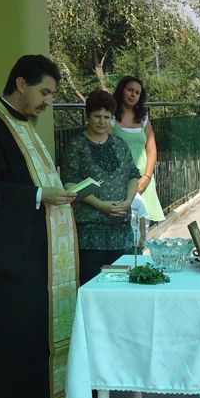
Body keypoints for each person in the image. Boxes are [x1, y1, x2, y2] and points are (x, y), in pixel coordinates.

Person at [0, 54, 78, 398]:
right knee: (16, 330)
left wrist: (55, 191)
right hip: (11, 255)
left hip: (36, 250)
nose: (48, 101)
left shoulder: (24, 125)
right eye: (44, 92)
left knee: (34, 330)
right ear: (20, 84)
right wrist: (39, 195)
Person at [62, 90, 140, 285]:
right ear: (88, 116)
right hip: (90, 231)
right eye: (97, 116)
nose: (102, 121)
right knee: (92, 284)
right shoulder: (76, 145)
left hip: (121, 229)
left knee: (124, 284)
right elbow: (69, 183)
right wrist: (101, 205)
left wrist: (127, 202)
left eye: (107, 117)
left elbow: (133, 175)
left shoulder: (119, 144)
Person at [111, 77, 165, 231]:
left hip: (144, 180)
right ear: (121, 90)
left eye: (137, 92)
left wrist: (147, 177)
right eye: (129, 90)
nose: (133, 95)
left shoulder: (143, 118)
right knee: (125, 226)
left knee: (143, 229)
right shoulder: (111, 118)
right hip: (122, 180)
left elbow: (152, 149)